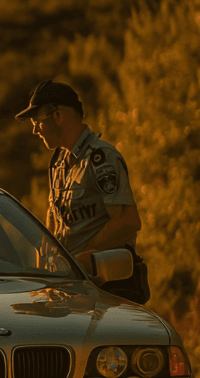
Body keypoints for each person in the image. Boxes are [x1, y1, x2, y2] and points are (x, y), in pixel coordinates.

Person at [15, 79, 149, 303]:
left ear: (58, 115)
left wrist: (84, 256)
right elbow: (54, 219)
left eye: (37, 120)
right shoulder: (58, 162)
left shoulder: (101, 158)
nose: (34, 130)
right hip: (71, 287)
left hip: (108, 288)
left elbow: (128, 221)